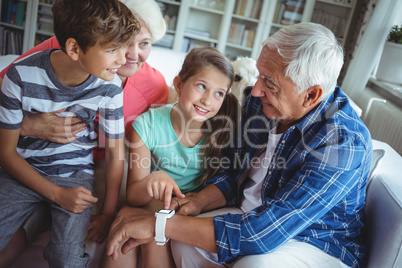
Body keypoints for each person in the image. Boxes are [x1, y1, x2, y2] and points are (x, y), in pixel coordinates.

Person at [105, 22, 373, 268]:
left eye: (269, 82)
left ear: (311, 94)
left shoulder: (342, 142)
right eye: (259, 75)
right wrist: (197, 202)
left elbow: (263, 232)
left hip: (312, 242)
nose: (254, 90)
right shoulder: (264, 103)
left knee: (253, 266)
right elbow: (234, 174)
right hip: (251, 214)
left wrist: (158, 224)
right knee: (184, 241)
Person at [0, 0, 168, 266]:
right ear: (74, 48)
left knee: (66, 253)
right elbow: (6, 149)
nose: (128, 56)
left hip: (77, 172)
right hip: (26, 165)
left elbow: (120, 152)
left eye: (144, 43)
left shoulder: (125, 84)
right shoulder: (32, 68)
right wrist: (29, 126)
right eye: (119, 45)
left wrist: (108, 212)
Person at [102, 46, 239, 268]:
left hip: (188, 209)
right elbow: (134, 196)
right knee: (125, 218)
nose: (207, 100)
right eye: (201, 86)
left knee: (153, 238)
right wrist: (152, 180)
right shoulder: (147, 124)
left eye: (218, 94)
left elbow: (224, 186)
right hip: (152, 204)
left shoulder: (222, 132)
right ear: (178, 84)